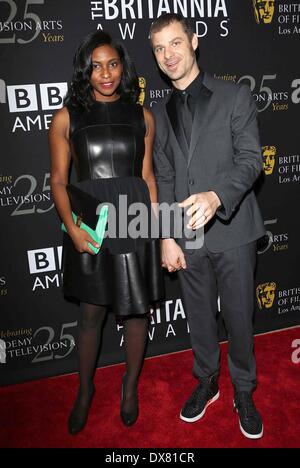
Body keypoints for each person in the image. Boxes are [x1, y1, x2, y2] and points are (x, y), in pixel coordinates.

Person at [150, 13, 266, 439]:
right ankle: (207, 381)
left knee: (238, 317)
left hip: (233, 228)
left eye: (175, 43)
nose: (169, 55)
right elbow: (162, 177)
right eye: (160, 48)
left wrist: (217, 196)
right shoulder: (158, 114)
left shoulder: (234, 95)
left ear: (194, 41)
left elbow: (251, 159)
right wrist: (165, 235)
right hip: (186, 234)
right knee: (199, 318)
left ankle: (244, 390)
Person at [49, 30, 163, 435]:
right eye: (95, 66)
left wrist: (157, 231)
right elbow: (59, 181)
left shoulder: (142, 115)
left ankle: (129, 389)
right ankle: (85, 390)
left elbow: (147, 178)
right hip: (90, 225)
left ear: (123, 66)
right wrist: (74, 229)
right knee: (90, 314)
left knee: (135, 312)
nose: (105, 73)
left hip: (134, 220)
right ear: (85, 70)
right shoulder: (67, 116)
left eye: (112, 64)